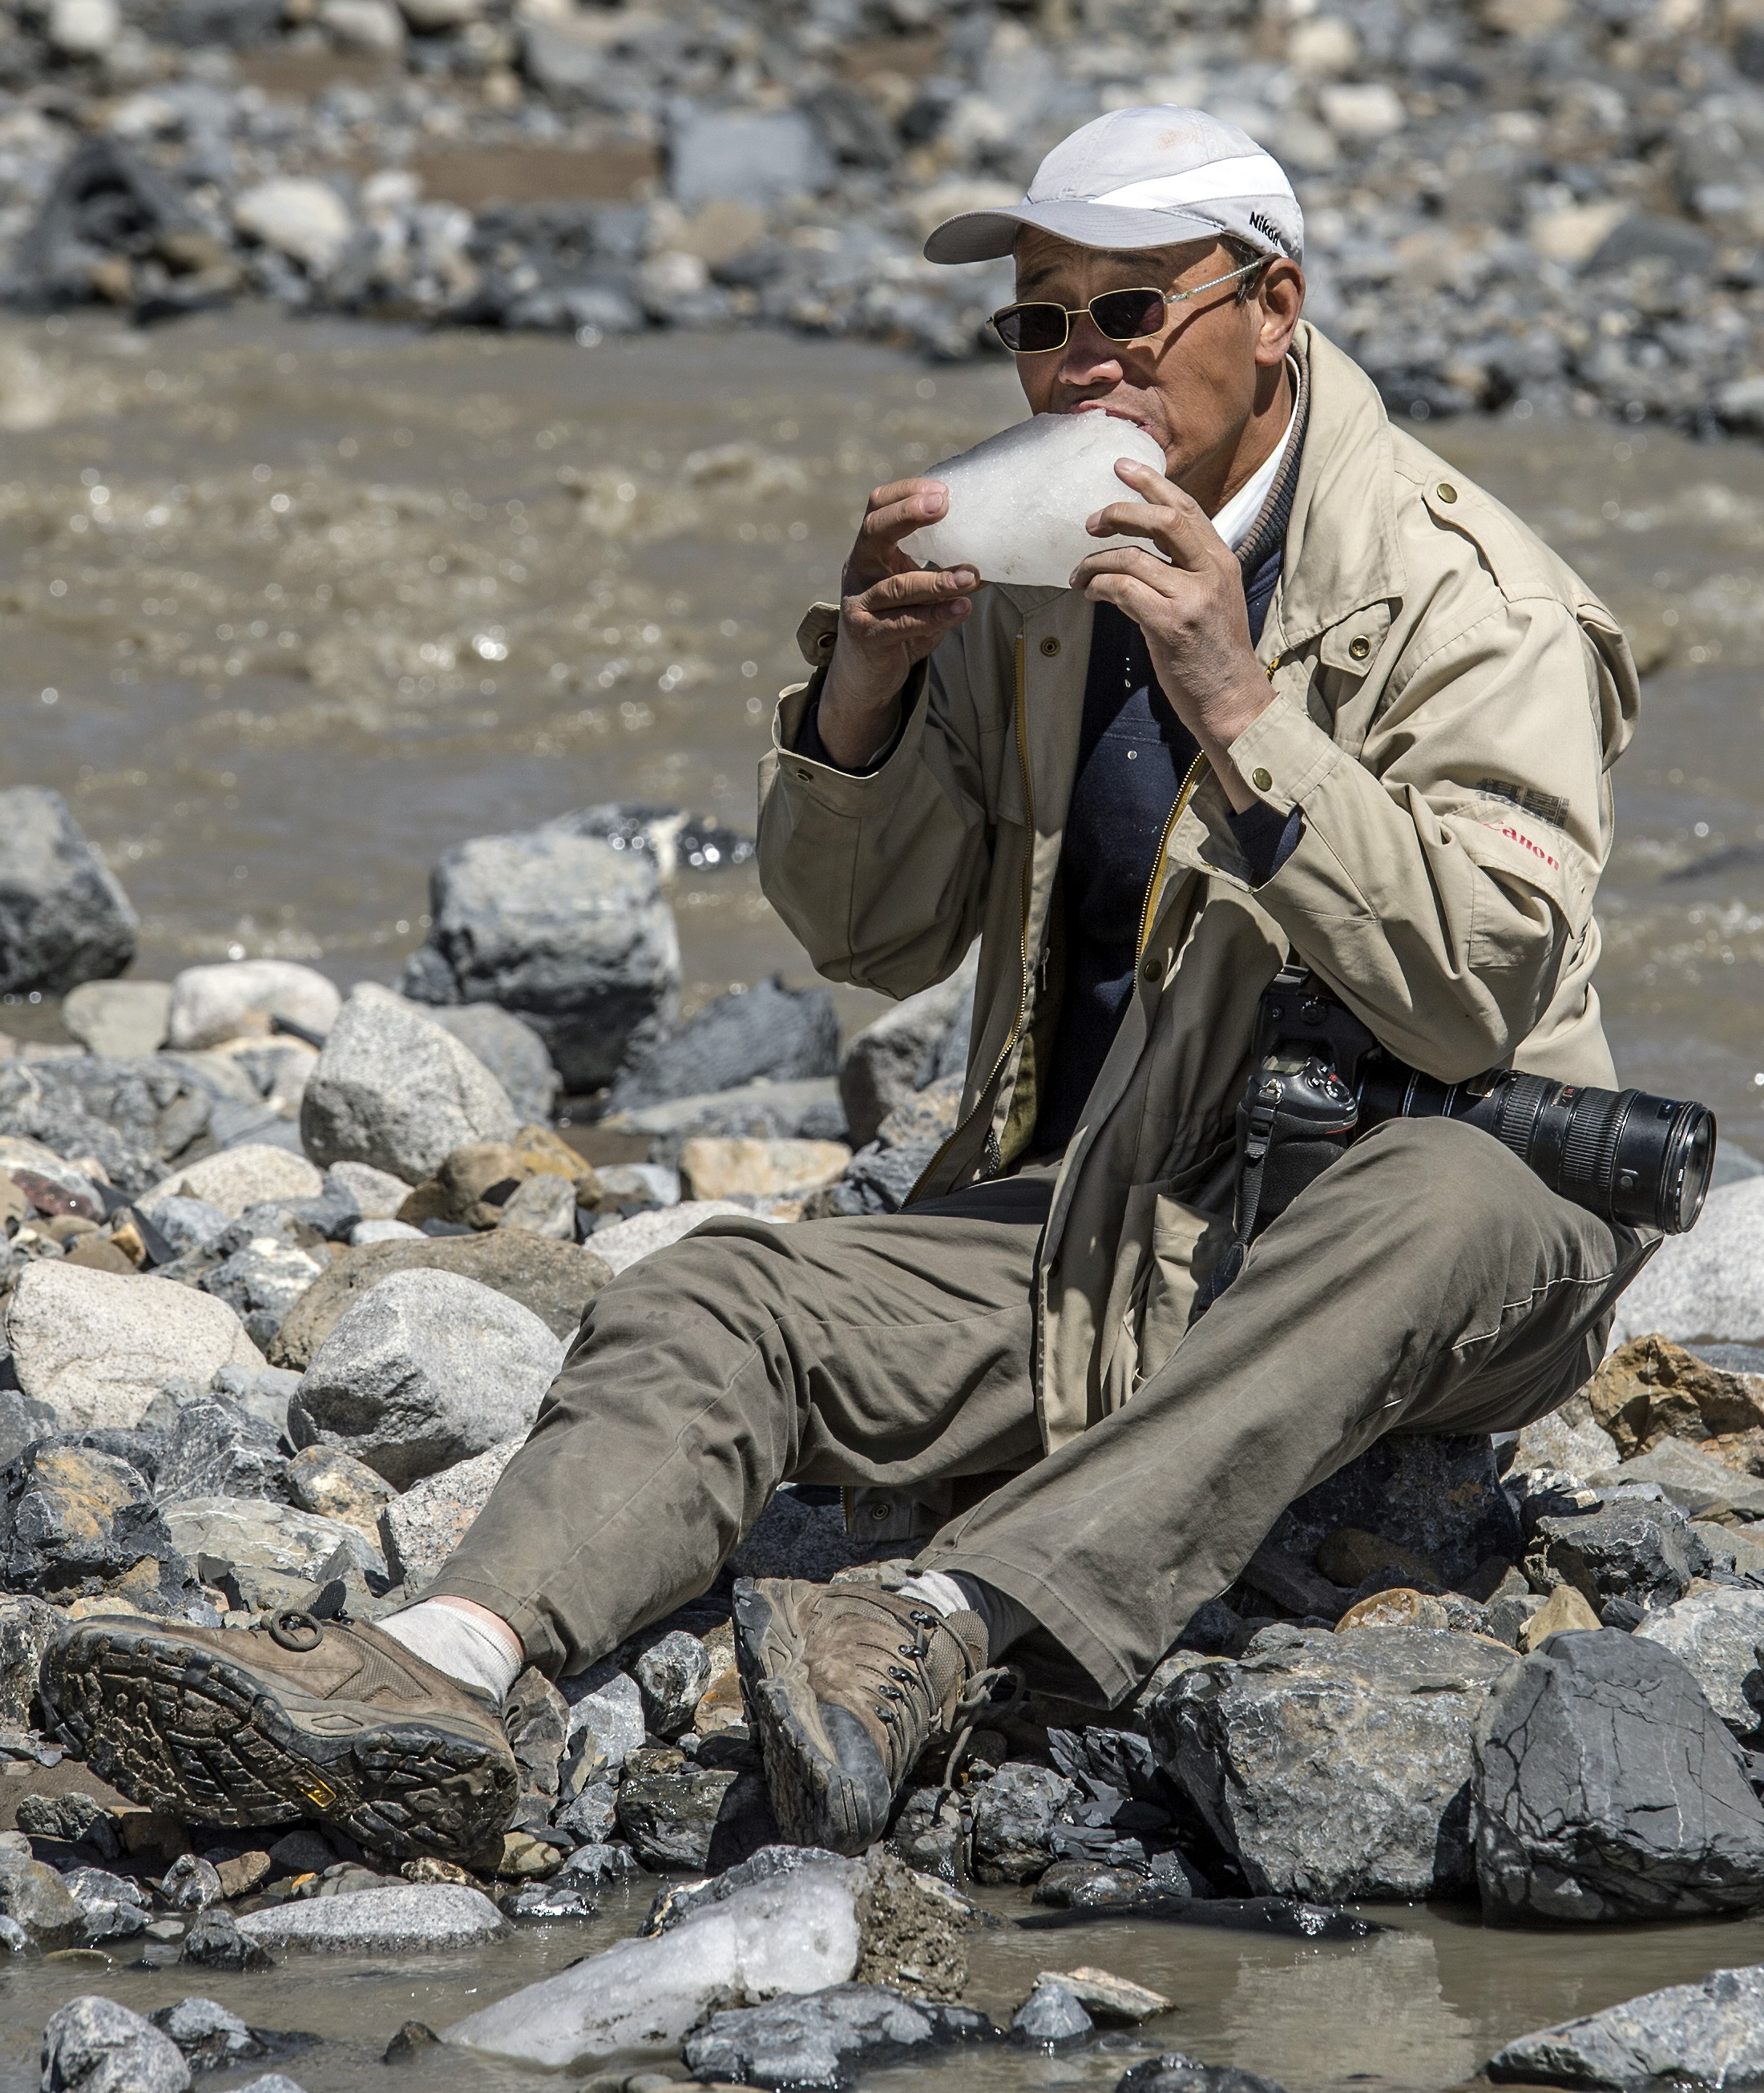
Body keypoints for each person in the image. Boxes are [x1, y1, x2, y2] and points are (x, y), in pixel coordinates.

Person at [44, 107, 1650, 1865]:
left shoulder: (1471, 593)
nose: (1074, 366)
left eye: (1128, 314)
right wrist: (862, 701)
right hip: (1104, 1225)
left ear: (1272, 307)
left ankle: (945, 1624)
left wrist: (1241, 705)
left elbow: (1480, 995)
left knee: (1433, 1197)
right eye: (1038, 323)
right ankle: (438, 1668)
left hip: (1449, 1220)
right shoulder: (1035, 563)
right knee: (716, 1297)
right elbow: (869, 935)